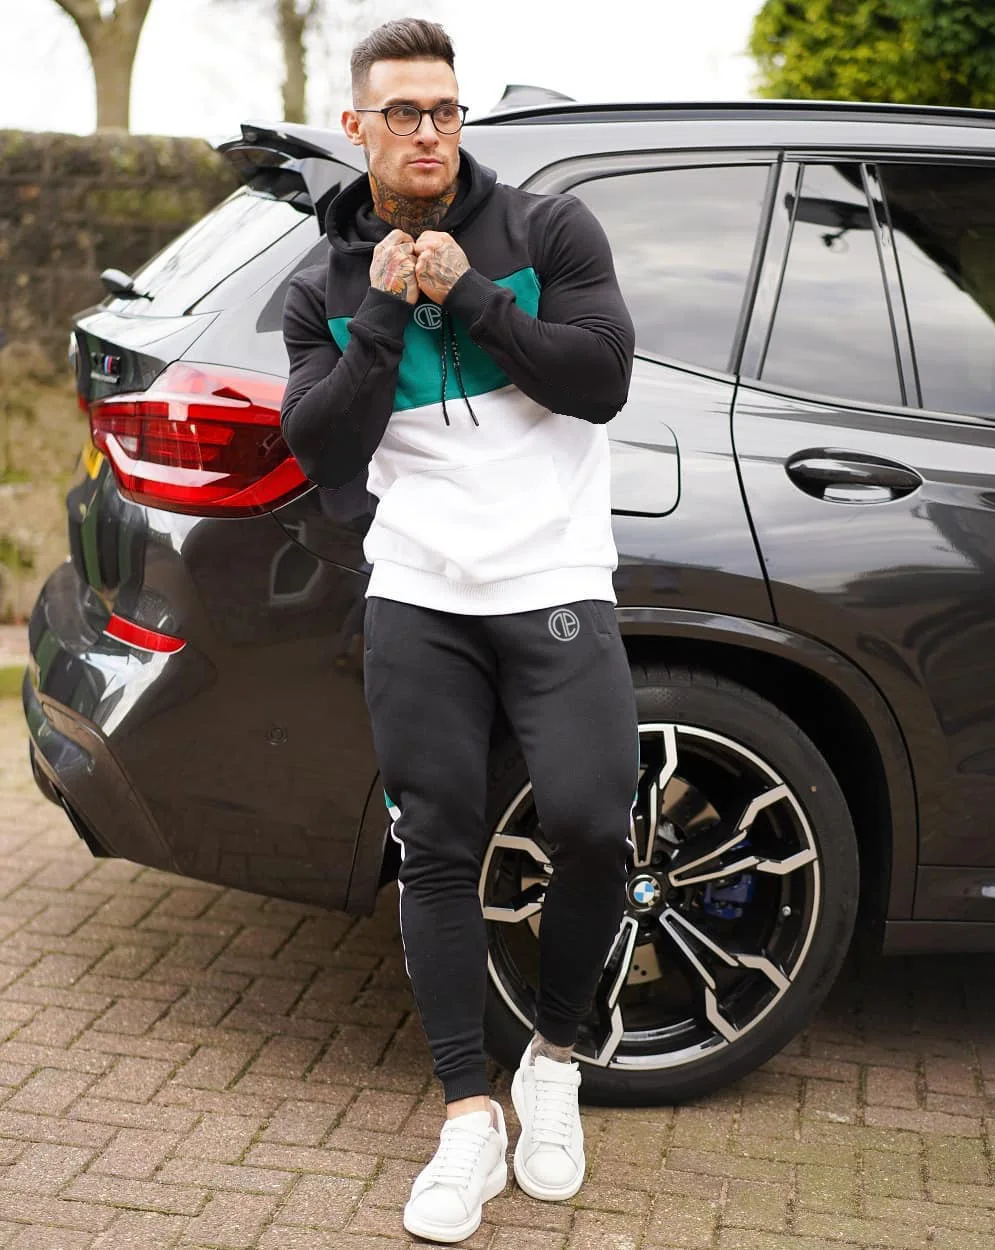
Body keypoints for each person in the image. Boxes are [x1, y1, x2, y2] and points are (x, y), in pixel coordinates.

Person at [280, 17, 638, 1244]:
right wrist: (384, 315)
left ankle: (554, 1058)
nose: (428, 132)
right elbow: (323, 450)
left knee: (592, 822)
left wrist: (469, 295)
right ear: (357, 127)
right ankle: (466, 1114)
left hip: (553, 574)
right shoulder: (320, 285)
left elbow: (599, 380)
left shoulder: (548, 230)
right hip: (420, 589)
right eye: (403, 113)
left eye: (444, 109)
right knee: (434, 845)